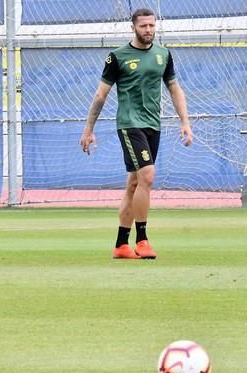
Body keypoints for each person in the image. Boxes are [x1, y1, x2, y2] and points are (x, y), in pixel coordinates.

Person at [80, 8, 192, 259]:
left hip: (153, 125)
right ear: (133, 28)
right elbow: (100, 95)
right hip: (129, 124)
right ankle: (142, 240)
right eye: (143, 26)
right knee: (148, 176)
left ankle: (121, 245)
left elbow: (174, 88)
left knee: (134, 183)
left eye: (152, 26)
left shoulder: (164, 55)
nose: (149, 30)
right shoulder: (117, 57)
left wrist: (185, 122)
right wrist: (89, 129)